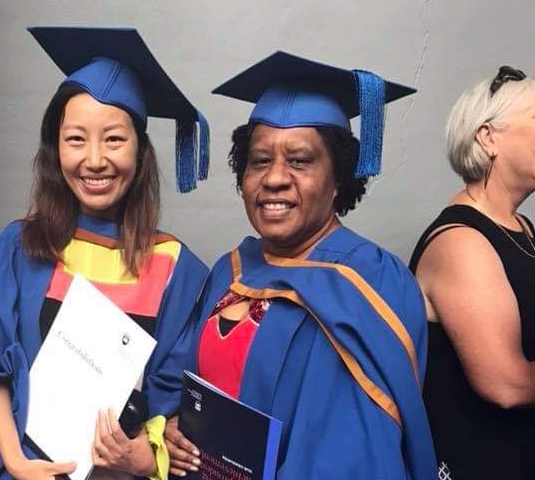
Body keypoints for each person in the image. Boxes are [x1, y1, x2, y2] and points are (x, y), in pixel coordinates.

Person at [0, 27, 210, 480]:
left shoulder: (175, 267)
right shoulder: (21, 247)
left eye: (115, 140)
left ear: (140, 153)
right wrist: (15, 460)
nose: (95, 159)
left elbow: (174, 400)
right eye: (76, 139)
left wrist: (144, 454)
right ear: (55, 148)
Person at [164, 52, 436, 479]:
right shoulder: (232, 269)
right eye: (260, 160)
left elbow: (351, 455)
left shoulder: (370, 280)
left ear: (338, 179)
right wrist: (174, 425)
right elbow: (185, 380)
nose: (274, 178)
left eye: (299, 161)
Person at [409, 67, 535, 480]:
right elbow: (505, 384)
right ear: (488, 137)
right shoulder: (461, 243)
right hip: (481, 463)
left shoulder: (522, 229)